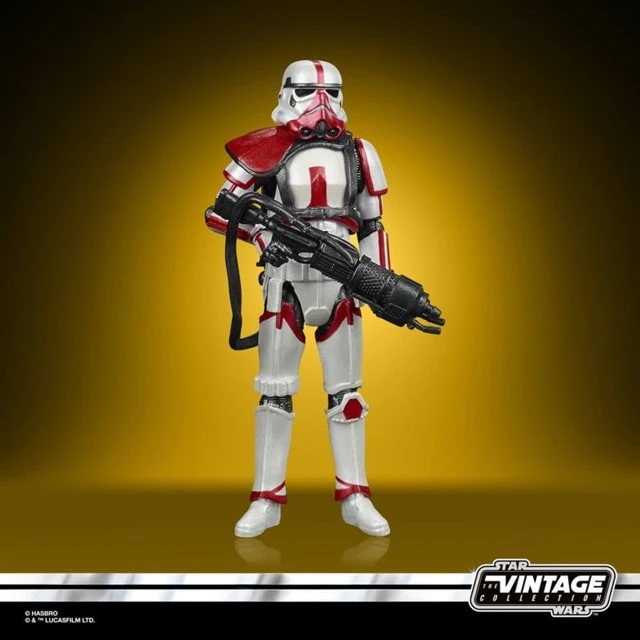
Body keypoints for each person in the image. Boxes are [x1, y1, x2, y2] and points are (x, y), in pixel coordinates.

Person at [206, 60, 392, 538]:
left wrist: (379, 284)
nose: (322, 101)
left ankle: (355, 495)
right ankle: (266, 500)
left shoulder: (359, 152)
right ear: (288, 93)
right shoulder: (267, 148)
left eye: (332, 91)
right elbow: (221, 212)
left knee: (347, 395)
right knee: (274, 394)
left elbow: (372, 224)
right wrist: (265, 238)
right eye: (309, 90)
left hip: (343, 284)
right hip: (284, 281)